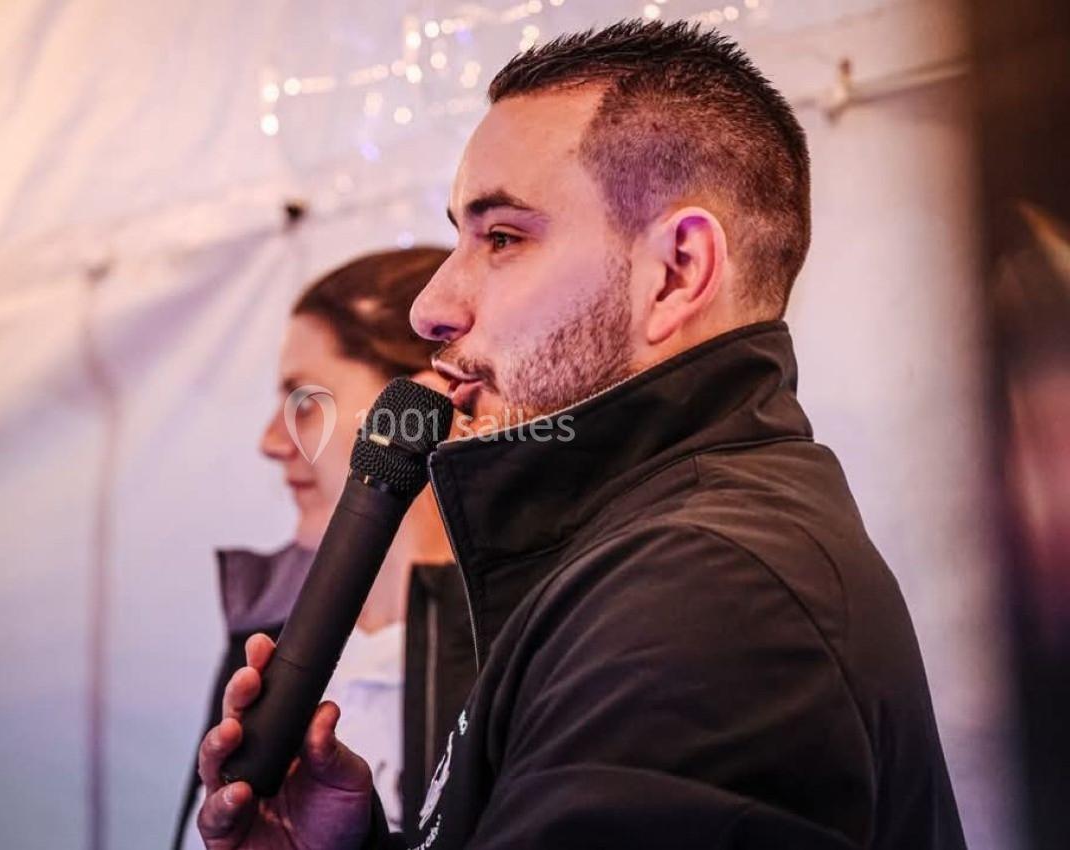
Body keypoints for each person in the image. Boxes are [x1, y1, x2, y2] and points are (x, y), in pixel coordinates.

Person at [196, 20, 967, 850]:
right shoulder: (645, 554)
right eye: (460, 233)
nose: (432, 307)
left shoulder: (707, 592)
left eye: (501, 237)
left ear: (676, 274)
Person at [173, 248, 476, 849]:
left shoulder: (511, 658)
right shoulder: (265, 642)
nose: (270, 441)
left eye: (305, 402)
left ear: (417, 406)